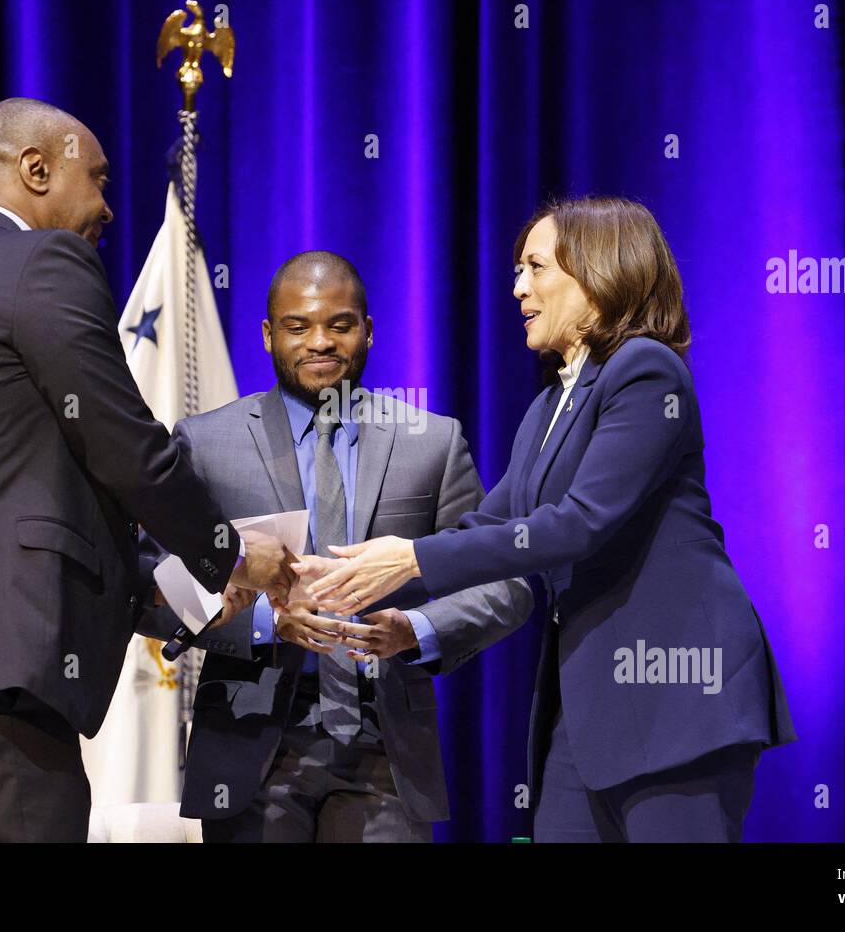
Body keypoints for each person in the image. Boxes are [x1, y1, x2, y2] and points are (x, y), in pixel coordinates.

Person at [0, 98, 294, 842]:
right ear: (36, 169)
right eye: (99, 179)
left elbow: (8, 491)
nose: (107, 207)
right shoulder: (43, 261)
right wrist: (229, 553)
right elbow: (124, 444)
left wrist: (174, 593)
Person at [305, 196, 796, 842]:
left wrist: (414, 558)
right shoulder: (548, 406)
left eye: (535, 268)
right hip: (590, 715)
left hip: (680, 697)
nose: (517, 289)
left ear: (596, 274)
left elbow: (578, 523)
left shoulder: (648, 373)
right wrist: (341, 578)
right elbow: (485, 527)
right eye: (517, 271)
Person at [137, 250, 532, 842]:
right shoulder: (206, 444)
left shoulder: (432, 443)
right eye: (298, 327)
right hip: (251, 751)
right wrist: (267, 620)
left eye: (339, 324)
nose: (320, 342)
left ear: (368, 331)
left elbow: (505, 582)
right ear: (269, 336)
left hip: (386, 753)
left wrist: (415, 629)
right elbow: (147, 587)